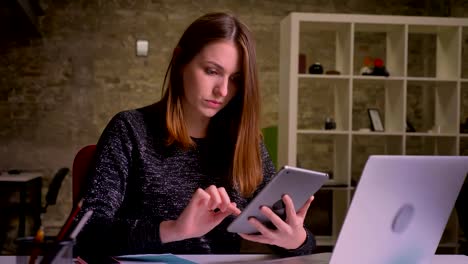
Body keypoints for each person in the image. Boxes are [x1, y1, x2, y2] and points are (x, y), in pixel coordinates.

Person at [74, 12, 316, 262]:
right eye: (212, 71)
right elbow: (86, 233)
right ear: (180, 61)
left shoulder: (246, 142)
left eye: (235, 79)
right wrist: (174, 229)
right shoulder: (130, 129)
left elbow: (298, 244)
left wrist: (296, 240)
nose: (222, 91)